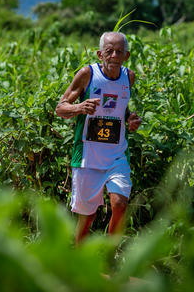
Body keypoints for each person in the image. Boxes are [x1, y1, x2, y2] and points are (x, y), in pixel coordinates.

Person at [55, 31, 141, 245]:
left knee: (120, 204)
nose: (114, 56)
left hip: (117, 155)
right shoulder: (87, 74)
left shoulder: (128, 77)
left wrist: (130, 120)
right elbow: (60, 108)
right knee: (88, 217)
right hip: (88, 157)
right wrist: (80, 107)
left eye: (119, 52)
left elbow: (121, 109)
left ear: (126, 56)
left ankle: (111, 258)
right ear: (100, 54)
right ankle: (80, 259)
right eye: (109, 51)